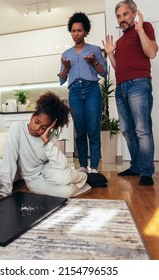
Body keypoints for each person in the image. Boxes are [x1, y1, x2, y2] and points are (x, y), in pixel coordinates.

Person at [0, 91, 91, 201]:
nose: (37, 128)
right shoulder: (17, 128)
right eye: (36, 122)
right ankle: (81, 183)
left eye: (44, 127)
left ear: (50, 127)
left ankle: (83, 176)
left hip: (48, 170)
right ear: (33, 115)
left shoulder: (50, 137)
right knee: (66, 192)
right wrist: (3, 192)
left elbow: (61, 165)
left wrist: (46, 141)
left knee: (64, 177)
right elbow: (9, 160)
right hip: (32, 178)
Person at [103, 0, 158, 186]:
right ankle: (135, 166)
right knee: (127, 130)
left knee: (142, 129)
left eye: (125, 14)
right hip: (121, 87)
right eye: (118, 16)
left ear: (134, 13)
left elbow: (151, 52)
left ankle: (146, 171)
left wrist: (140, 29)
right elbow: (119, 68)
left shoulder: (145, 27)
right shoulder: (120, 41)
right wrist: (110, 53)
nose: (121, 19)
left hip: (139, 84)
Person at [58, 12, 107, 174]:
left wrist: (93, 62)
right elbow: (62, 79)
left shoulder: (94, 50)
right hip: (75, 93)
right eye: (73, 30)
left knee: (93, 129)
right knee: (80, 131)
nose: (76, 34)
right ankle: (82, 166)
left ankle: (93, 167)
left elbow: (103, 72)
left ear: (85, 31)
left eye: (79, 30)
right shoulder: (66, 54)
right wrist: (65, 67)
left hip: (92, 90)